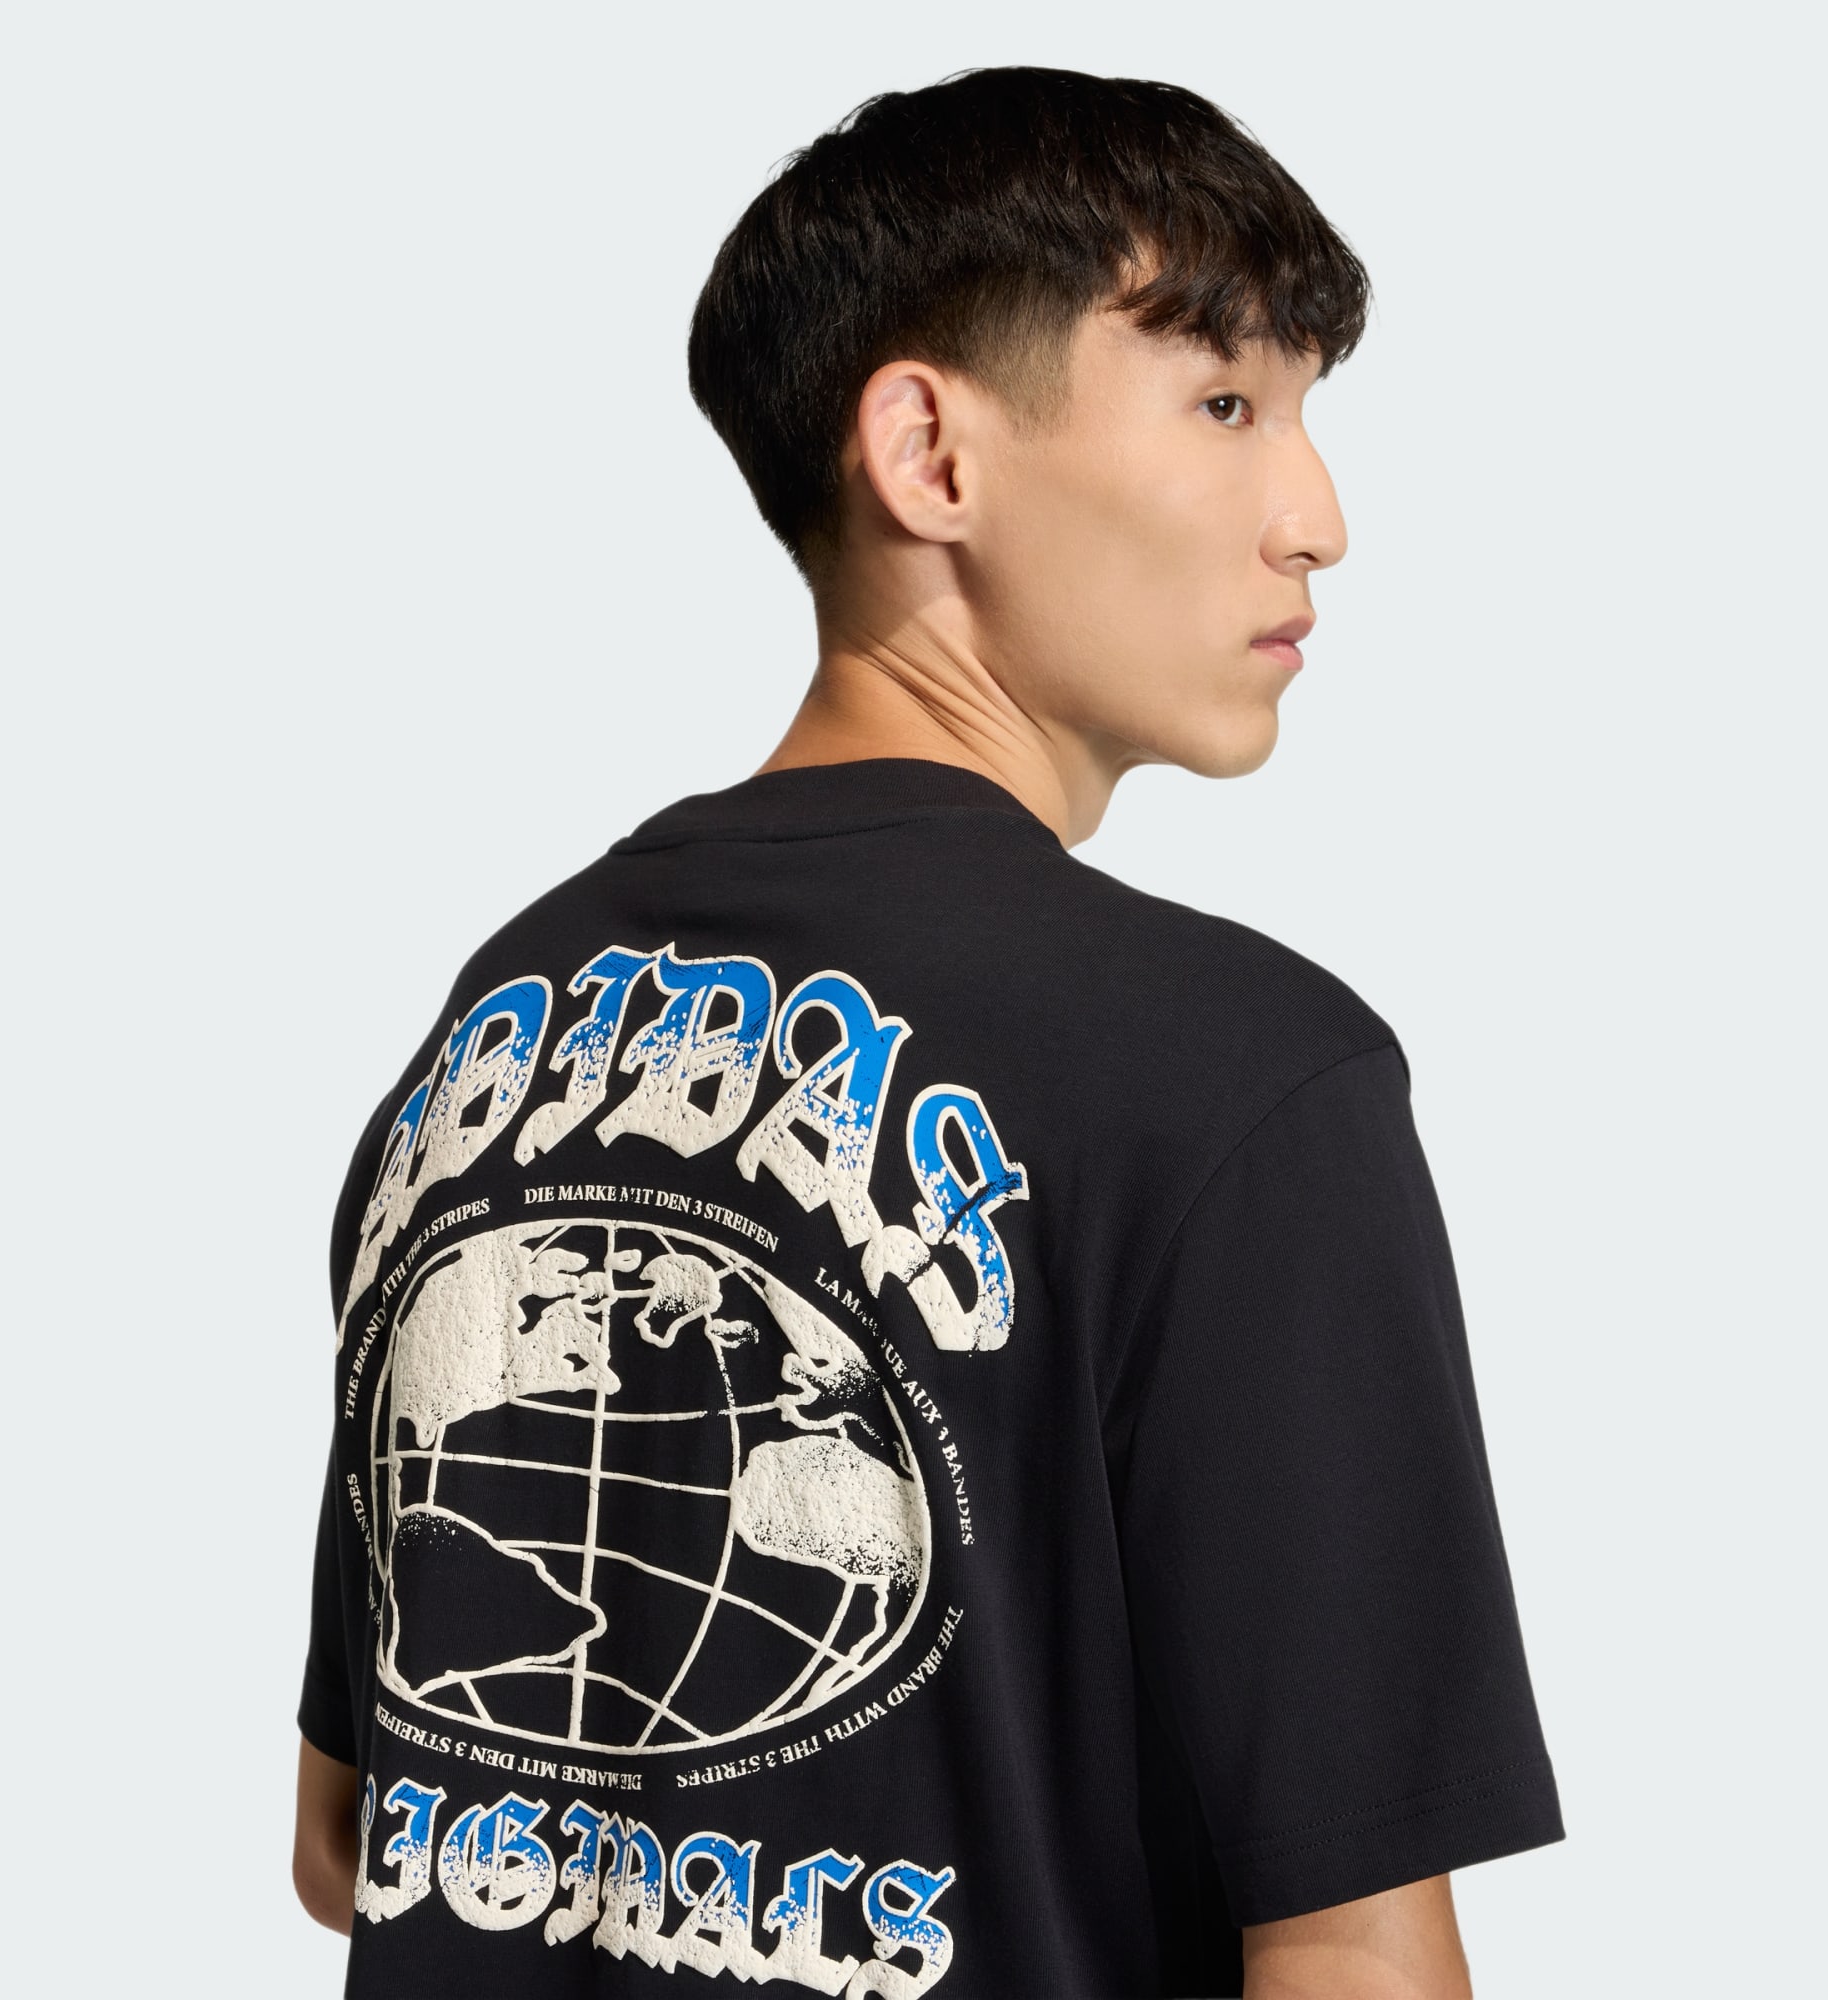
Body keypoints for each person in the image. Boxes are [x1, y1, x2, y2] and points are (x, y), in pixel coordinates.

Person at [291, 67, 1562, 1999]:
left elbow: (352, 1844)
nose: (1318, 519)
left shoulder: (490, 1030)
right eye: (1226, 404)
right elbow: (1357, 1955)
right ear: (931, 456)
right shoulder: (1242, 1079)